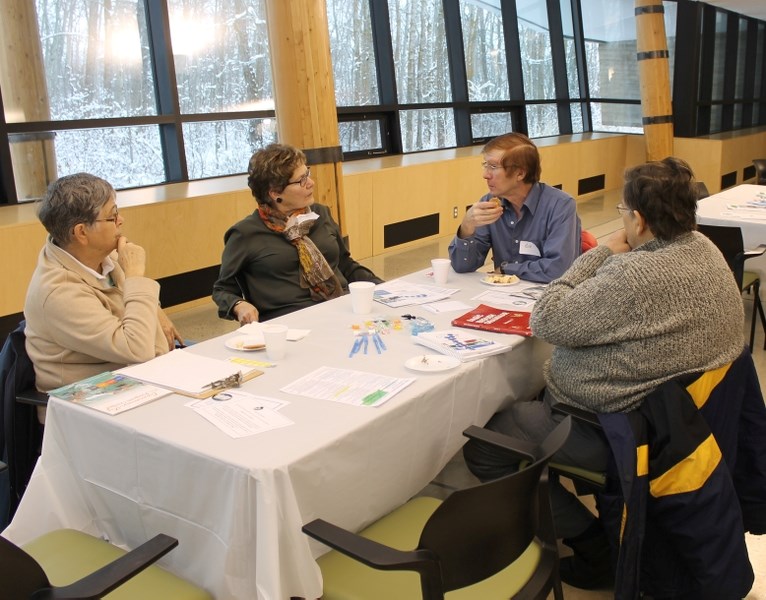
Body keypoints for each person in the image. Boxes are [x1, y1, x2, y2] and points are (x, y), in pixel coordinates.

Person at [462, 157, 745, 589]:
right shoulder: (704, 248)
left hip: (624, 431)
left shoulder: (636, 273)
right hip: (687, 423)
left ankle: (594, 545)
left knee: (490, 439)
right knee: (533, 396)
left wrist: (599, 254)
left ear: (638, 218)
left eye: (622, 212)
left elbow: (548, 319)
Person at [24, 173, 182, 401]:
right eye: (112, 216)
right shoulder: (59, 291)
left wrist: (156, 311)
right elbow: (137, 350)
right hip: (88, 399)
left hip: (134, 375)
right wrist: (135, 276)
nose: (121, 220)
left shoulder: (101, 257)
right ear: (81, 232)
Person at [213, 143, 382, 323]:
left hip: (342, 309)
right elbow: (222, 289)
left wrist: (385, 288)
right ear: (275, 193)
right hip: (289, 324)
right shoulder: (245, 234)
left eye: (307, 174)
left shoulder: (320, 214)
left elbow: (345, 264)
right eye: (301, 180)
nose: (311, 183)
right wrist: (239, 304)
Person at [448, 132, 581, 283]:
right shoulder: (490, 204)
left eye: (493, 166)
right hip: (504, 297)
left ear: (520, 173)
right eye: (485, 165)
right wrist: (466, 227)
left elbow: (558, 270)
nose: (485, 174)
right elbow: (462, 266)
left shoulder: (560, 205)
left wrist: (507, 269)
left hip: (547, 298)